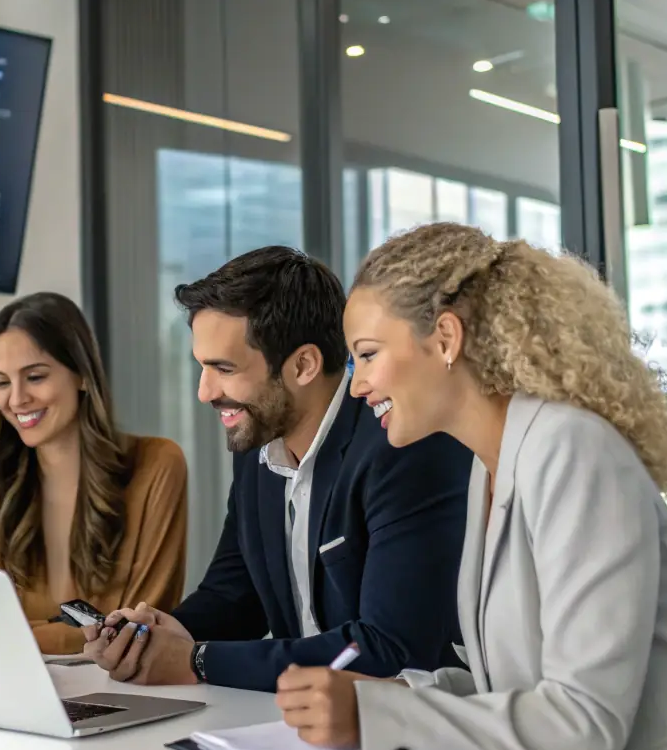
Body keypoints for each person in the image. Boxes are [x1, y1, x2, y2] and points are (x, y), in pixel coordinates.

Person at [275, 222, 667, 750]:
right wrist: (386, 697)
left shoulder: (573, 450)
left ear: (444, 339)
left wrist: (380, 722)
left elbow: (585, 718)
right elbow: (517, 687)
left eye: (367, 356)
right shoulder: (488, 466)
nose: (358, 386)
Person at [84, 246, 471, 693]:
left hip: (403, 723)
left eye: (223, 368)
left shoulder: (401, 446)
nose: (205, 392)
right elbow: (235, 596)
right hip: (294, 720)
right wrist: (152, 636)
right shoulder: (258, 445)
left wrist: (197, 661)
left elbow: (385, 648)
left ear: (303, 365)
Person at [0, 291, 188, 655]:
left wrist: (15, 636)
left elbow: (137, 631)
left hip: (118, 689)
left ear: (82, 375)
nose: (16, 399)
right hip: (12, 686)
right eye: (1, 382)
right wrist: (80, 633)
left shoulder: (158, 465)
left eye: (34, 377)